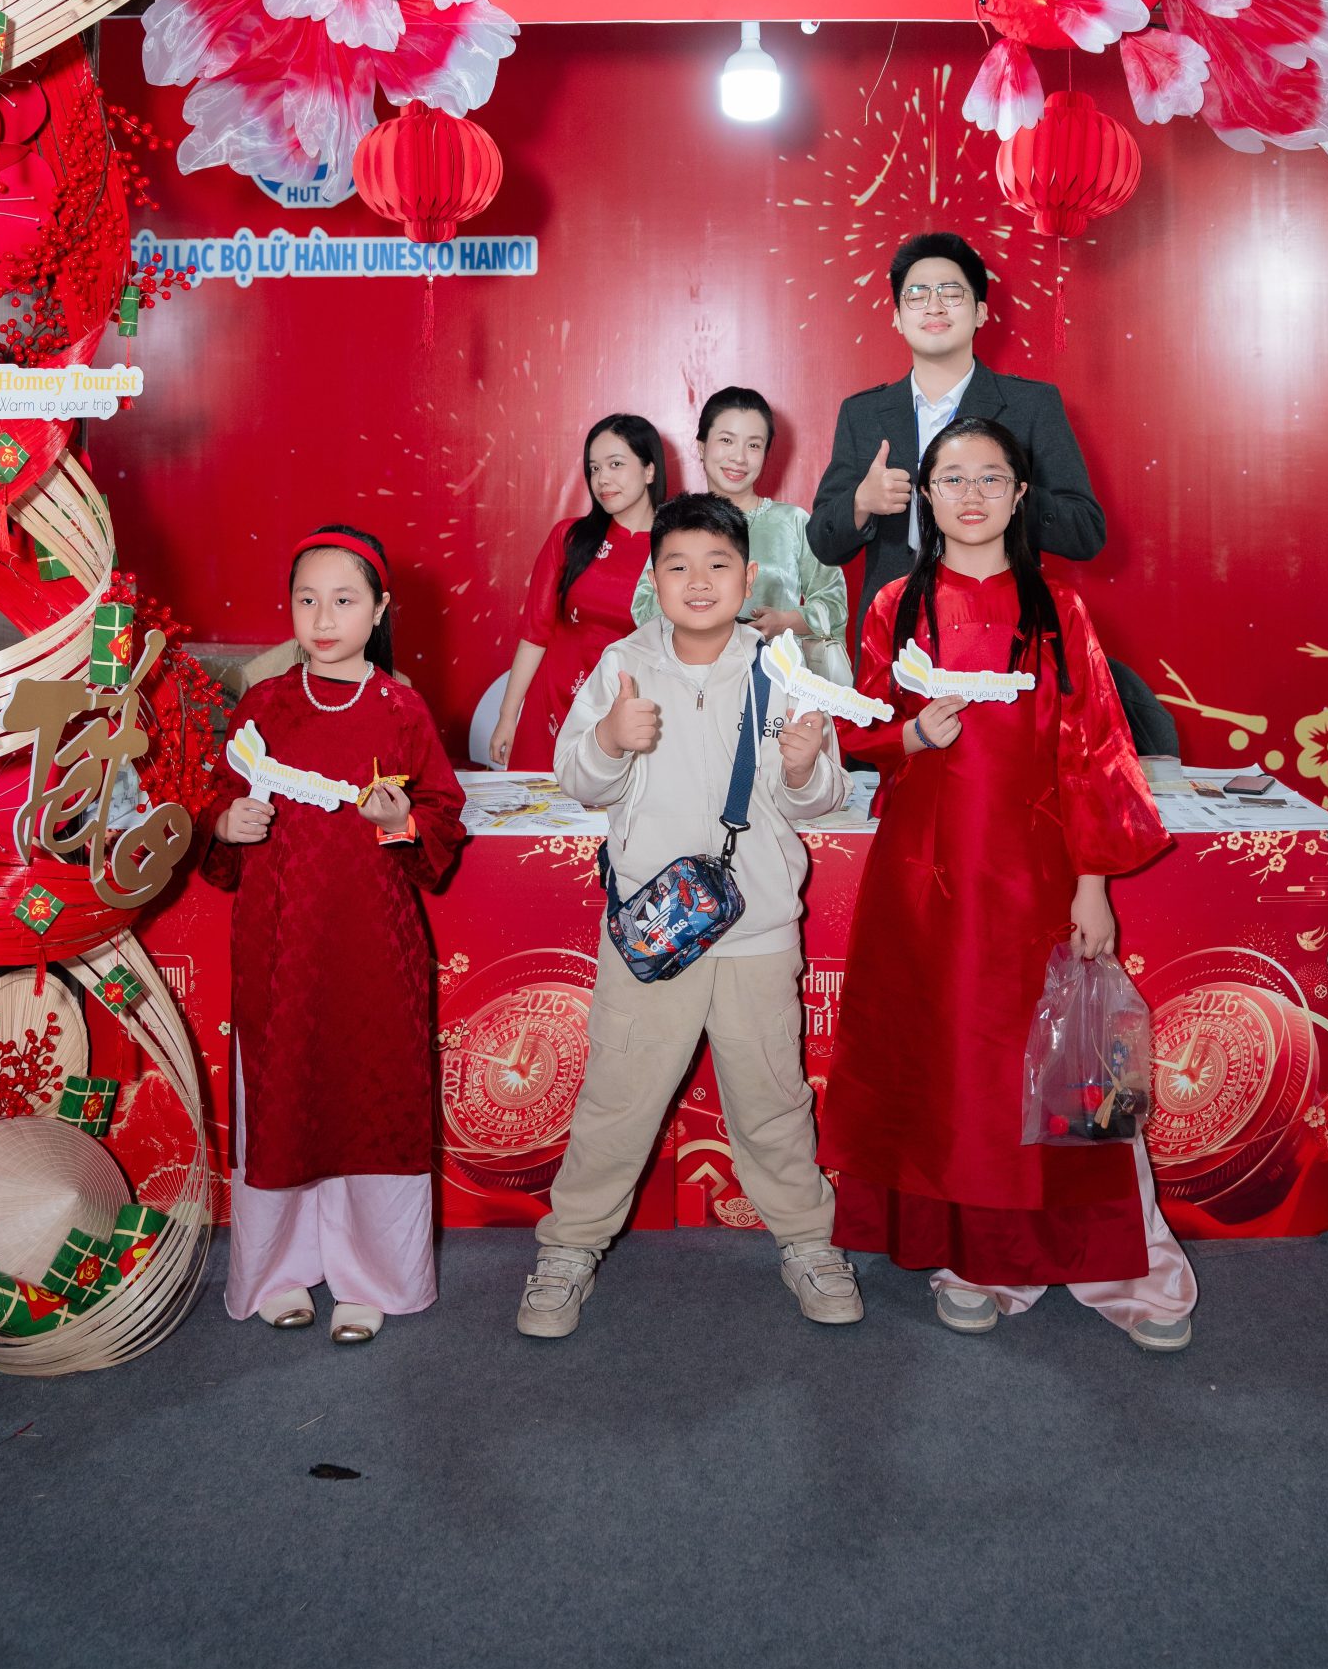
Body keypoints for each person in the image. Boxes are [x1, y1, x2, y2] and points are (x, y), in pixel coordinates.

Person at [822, 420, 1197, 1351]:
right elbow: (859, 728)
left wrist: (1091, 883)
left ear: (1021, 495)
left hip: (1035, 879)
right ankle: (976, 1259)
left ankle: (1113, 1259)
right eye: (951, 478)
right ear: (926, 495)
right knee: (955, 1066)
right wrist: (911, 736)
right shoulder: (895, 603)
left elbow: (1095, 751)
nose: (972, 495)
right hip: (925, 880)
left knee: (1058, 1066)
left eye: (991, 478)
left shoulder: (1057, 607)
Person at [515, 492, 863, 1339]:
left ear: (748, 576)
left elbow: (819, 797)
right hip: (651, 927)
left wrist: (807, 766)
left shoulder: (782, 667)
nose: (698, 581)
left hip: (757, 930)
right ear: (653, 578)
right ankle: (567, 1249)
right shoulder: (622, 663)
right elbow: (578, 778)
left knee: (773, 1100)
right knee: (617, 1099)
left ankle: (808, 1243)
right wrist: (609, 740)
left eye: (717, 565)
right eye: (677, 565)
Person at [202, 523, 467, 1344]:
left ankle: (373, 1277)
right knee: (284, 1098)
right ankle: (278, 1271)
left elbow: (442, 821)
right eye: (307, 600)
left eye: (344, 600)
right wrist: (227, 824)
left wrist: (400, 823)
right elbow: (215, 802)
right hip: (279, 944)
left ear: (378, 609)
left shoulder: (401, 709)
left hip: (372, 947)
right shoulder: (263, 707)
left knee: (367, 1100)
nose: (323, 619)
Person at [807, 231, 1104, 632]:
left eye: (950, 293)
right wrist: (861, 502)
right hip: (893, 631)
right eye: (916, 294)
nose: (934, 305)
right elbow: (823, 543)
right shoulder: (862, 414)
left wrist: (1007, 493)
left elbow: (1085, 532)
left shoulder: (1031, 405)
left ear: (980, 313)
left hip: (1001, 628)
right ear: (897, 317)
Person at [629, 386, 852, 684]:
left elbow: (834, 606)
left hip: (774, 681)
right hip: (689, 681)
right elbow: (643, 609)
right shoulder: (678, 522)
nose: (739, 457)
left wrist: (785, 621)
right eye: (726, 440)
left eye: (754, 445)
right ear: (701, 447)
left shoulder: (793, 522)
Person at [490, 415, 667, 769]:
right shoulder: (569, 538)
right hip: (551, 703)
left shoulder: (674, 548)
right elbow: (535, 633)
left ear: (649, 470)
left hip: (624, 710)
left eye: (616, 464)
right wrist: (508, 716)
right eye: (594, 468)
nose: (602, 479)